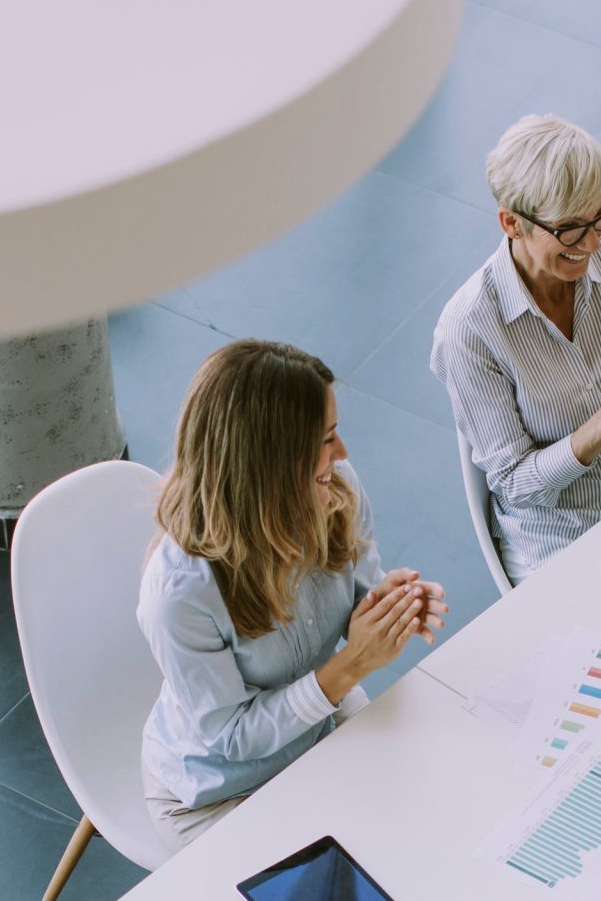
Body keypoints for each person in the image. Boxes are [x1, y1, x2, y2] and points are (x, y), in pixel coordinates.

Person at [137, 340, 446, 847]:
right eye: (326, 440)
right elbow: (233, 737)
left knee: (425, 820)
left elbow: (354, 595)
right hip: (221, 791)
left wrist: (384, 606)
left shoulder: (336, 488)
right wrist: (350, 666)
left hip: (317, 730)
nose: (342, 454)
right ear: (271, 462)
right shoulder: (179, 592)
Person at [432, 114, 601, 585]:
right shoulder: (469, 330)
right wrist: (598, 429)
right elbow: (514, 485)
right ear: (511, 223)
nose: (594, 241)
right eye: (570, 229)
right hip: (566, 541)